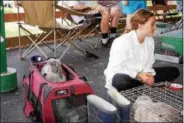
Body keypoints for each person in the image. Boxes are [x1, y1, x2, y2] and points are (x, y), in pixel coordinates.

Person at [104, 9, 180, 91]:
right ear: (140, 25)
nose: (155, 27)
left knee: (174, 71)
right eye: (152, 24)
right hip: (125, 76)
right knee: (121, 81)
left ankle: (140, 85)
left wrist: (148, 75)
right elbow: (115, 68)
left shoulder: (150, 40)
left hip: (141, 75)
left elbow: (149, 63)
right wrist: (138, 75)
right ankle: (140, 85)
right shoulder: (122, 41)